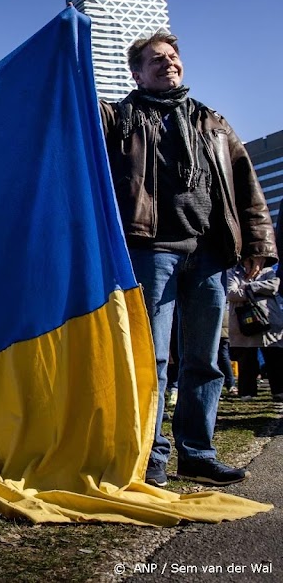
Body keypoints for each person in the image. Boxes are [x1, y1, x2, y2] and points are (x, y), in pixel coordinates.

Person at [99, 32, 276, 487]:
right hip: (150, 251)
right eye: (155, 60)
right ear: (136, 72)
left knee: (204, 360)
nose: (168, 64)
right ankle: (150, 455)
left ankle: (198, 452)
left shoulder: (212, 122)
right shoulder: (118, 118)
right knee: (152, 359)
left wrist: (258, 244)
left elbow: (246, 187)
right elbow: (75, 109)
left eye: (173, 57)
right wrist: (67, 49)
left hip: (210, 254)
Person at [225, 266, 283, 399]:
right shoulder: (233, 272)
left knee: (274, 357)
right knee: (246, 359)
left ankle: (279, 390)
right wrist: (261, 290)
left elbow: (274, 286)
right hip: (243, 322)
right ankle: (247, 392)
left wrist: (248, 287)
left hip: (269, 319)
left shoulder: (268, 271)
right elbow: (231, 293)